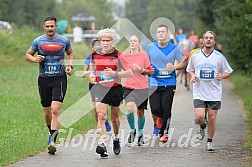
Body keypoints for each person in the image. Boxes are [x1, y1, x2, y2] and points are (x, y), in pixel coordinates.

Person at [25, 16, 74, 155]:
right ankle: (50, 132)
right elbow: (27, 55)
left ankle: (53, 141)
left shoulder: (64, 40)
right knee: (47, 112)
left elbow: (70, 53)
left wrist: (70, 66)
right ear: (44, 27)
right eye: (47, 26)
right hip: (44, 79)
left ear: (56, 26)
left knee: (55, 109)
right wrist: (35, 59)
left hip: (59, 78)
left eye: (52, 26)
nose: (50, 29)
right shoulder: (38, 41)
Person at [186, 31, 233, 151]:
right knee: (199, 117)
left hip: (214, 92)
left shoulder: (219, 57)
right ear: (203, 40)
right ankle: (202, 125)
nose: (208, 40)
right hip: (199, 91)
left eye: (211, 38)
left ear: (214, 41)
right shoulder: (196, 55)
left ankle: (209, 141)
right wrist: (192, 76)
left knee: (212, 117)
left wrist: (221, 76)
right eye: (206, 38)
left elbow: (228, 71)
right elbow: (190, 69)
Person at [89, 28, 132, 157]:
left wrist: (115, 73)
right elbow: (92, 63)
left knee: (114, 119)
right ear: (100, 41)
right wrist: (92, 73)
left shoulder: (118, 55)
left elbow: (129, 72)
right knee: (101, 115)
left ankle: (116, 137)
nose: (105, 43)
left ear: (112, 41)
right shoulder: (95, 53)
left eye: (108, 40)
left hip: (115, 89)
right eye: (103, 40)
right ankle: (102, 143)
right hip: (100, 88)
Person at [146, 24, 187, 142]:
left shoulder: (174, 48)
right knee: (155, 108)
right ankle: (159, 118)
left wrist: (174, 67)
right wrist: (147, 69)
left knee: (166, 108)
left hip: (169, 82)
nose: (160, 34)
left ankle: (165, 132)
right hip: (153, 82)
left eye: (163, 32)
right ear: (156, 34)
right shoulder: (150, 47)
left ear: (168, 34)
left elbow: (183, 63)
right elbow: (145, 62)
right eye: (158, 32)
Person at [121, 35, 153, 146]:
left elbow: (149, 71)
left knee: (140, 112)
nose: (132, 42)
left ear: (139, 43)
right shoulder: (124, 56)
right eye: (131, 41)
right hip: (129, 86)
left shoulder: (144, 56)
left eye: (135, 41)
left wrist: (141, 70)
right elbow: (120, 70)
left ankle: (140, 134)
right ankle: (132, 130)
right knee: (129, 108)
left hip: (142, 87)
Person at [82, 38, 111, 132]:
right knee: (95, 108)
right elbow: (83, 73)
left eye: (99, 45)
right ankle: (101, 123)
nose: (97, 48)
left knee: (103, 105)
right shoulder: (89, 57)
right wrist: (92, 72)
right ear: (92, 47)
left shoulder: (105, 56)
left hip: (104, 83)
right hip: (94, 84)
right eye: (95, 46)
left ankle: (103, 120)